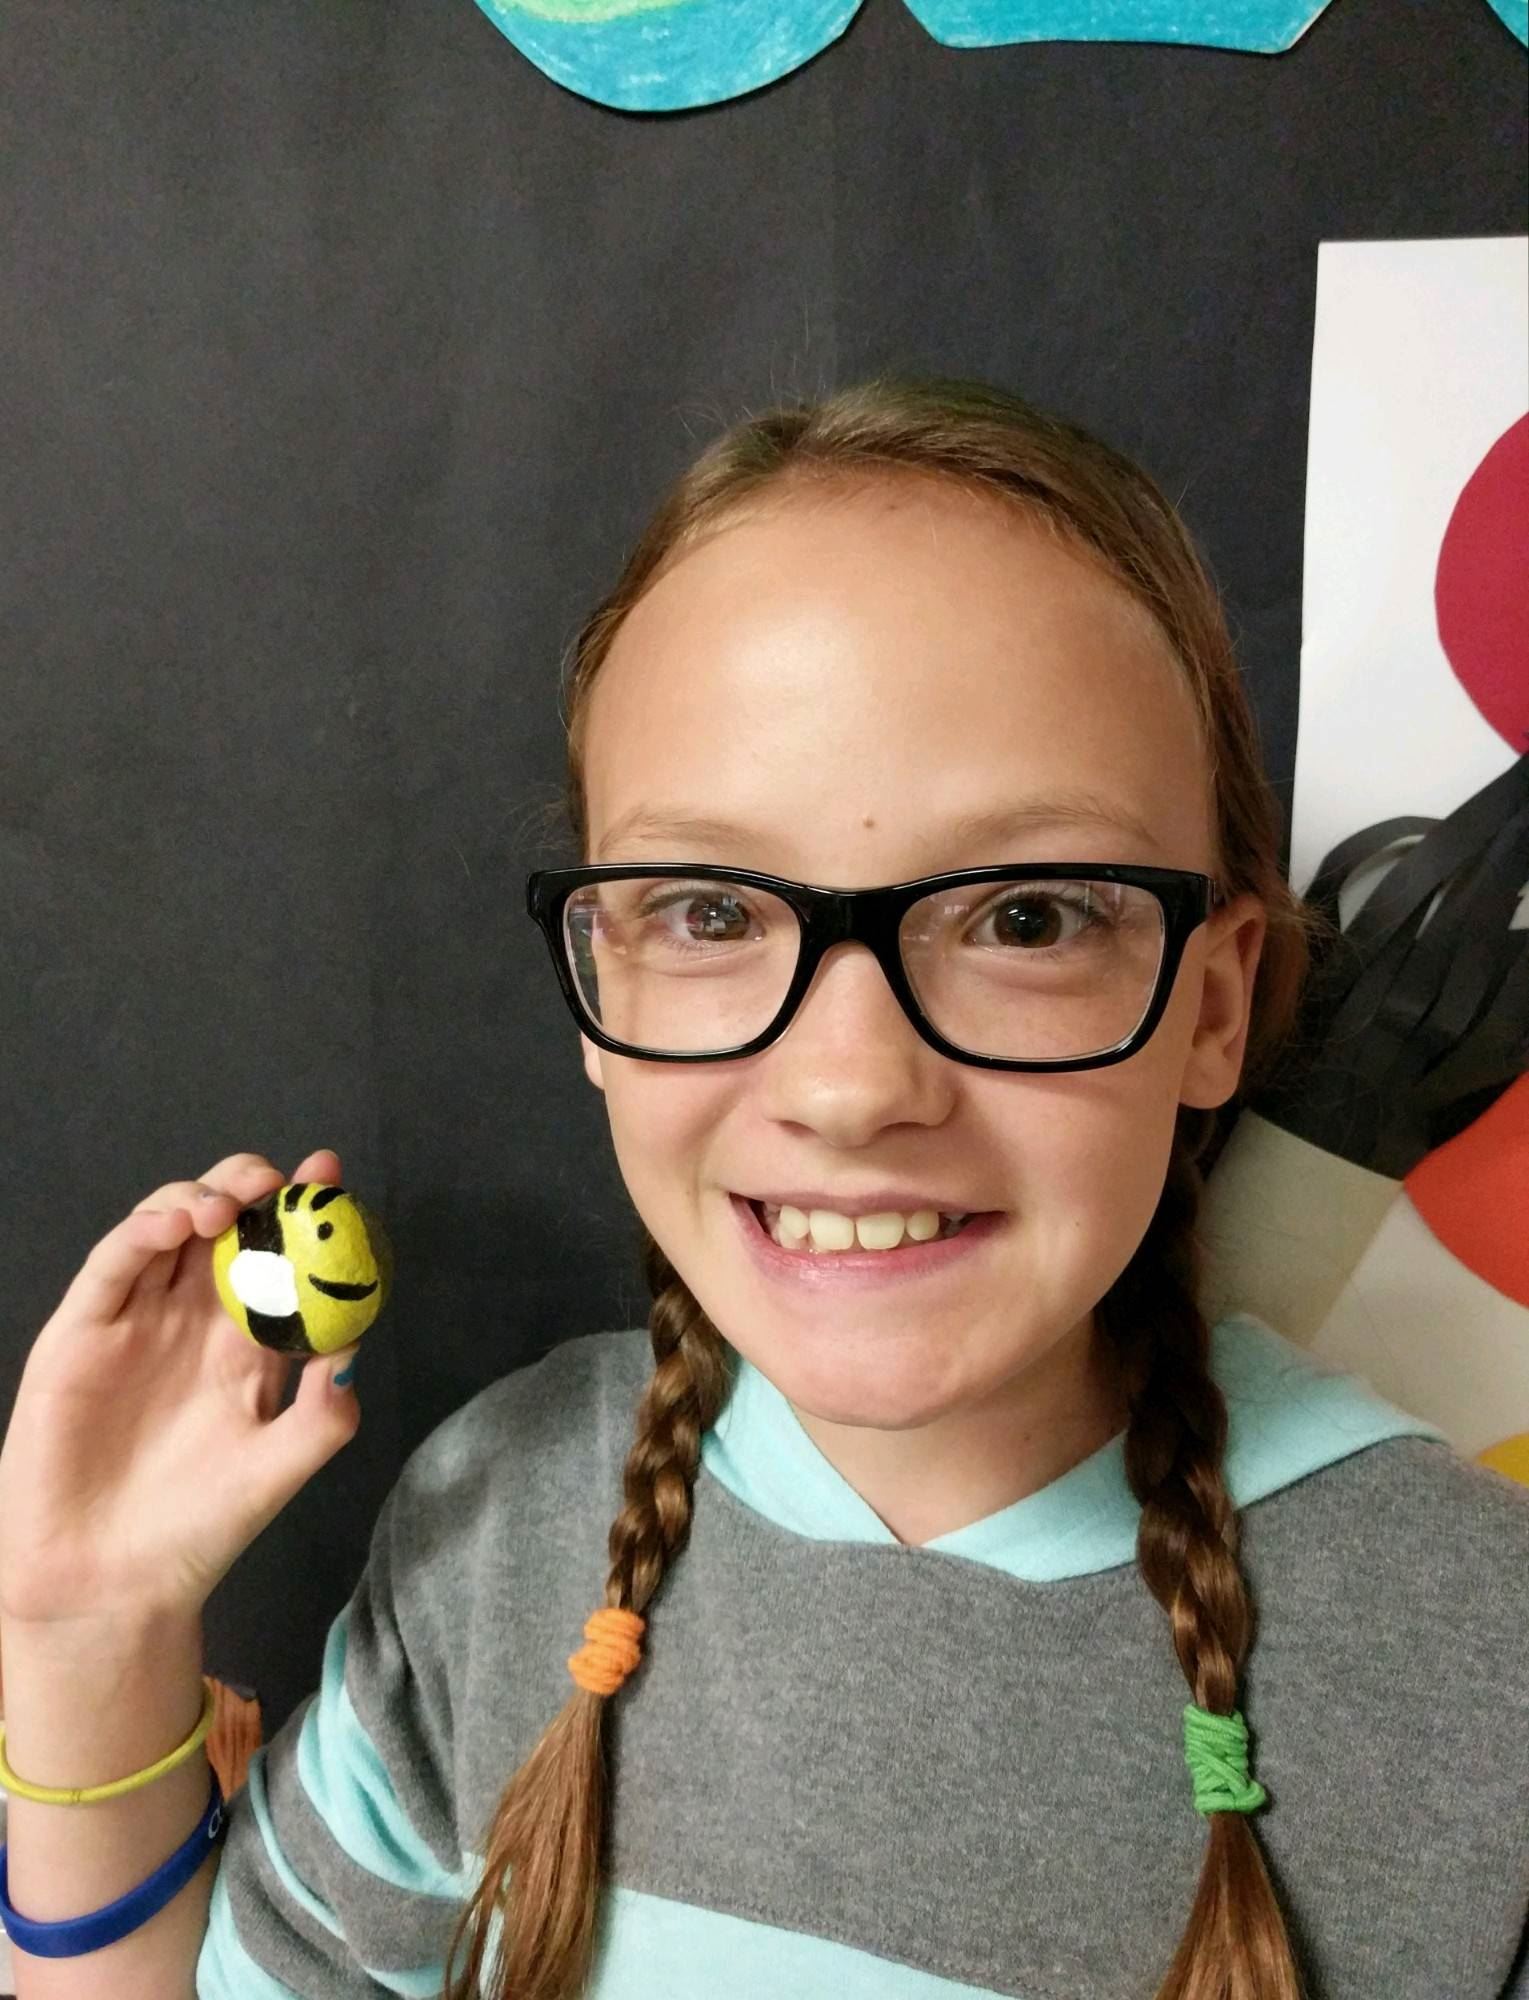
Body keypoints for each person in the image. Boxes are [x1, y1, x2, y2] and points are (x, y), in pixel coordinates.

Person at [1, 377, 1525, 2000]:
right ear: (603, 977)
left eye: (1026, 918)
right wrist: (87, 1634)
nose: (849, 1088)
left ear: (1213, 1008)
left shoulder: (1475, 1662)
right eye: (712, 914)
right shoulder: (502, 1523)